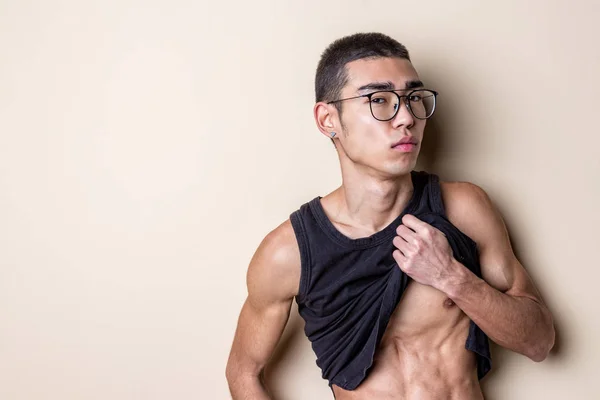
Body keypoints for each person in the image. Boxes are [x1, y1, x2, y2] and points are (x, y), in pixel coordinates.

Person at [225, 32, 555, 400]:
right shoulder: (289, 253)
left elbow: (539, 342)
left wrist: (452, 278)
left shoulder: (463, 208)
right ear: (328, 119)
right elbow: (243, 373)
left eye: (413, 98)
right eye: (379, 100)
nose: (406, 119)